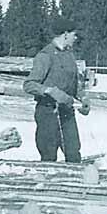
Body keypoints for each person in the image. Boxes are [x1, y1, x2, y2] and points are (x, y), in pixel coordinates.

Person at [23, 17, 90, 163]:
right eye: (74, 34)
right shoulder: (45, 56)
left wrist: (83, 98)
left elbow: (75, 83)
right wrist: (50, 91)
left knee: (73, 154)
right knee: (49, 157)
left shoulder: (69, 55)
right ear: (65, 34)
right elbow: (29, 84)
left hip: (67, 112)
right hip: (48, 113)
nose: (76, 37)